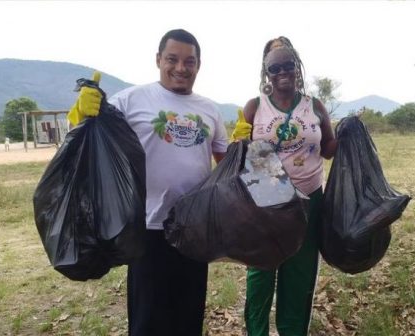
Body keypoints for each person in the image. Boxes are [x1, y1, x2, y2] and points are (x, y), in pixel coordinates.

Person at [67, 29, 228, 336]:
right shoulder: (131, 99)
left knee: (188, 315)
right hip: (148, 227)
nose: (181, 68)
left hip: (195, 228)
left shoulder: (209, 109)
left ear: (198, 65)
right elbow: (89, 133)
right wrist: (80, 114)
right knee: (148, 319)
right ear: (158, 60)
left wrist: (243, 147)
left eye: (189, 61)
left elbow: (225, 163)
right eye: (172, 59)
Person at [231, 36, 337, 336]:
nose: (282, 72)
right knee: (261, 277)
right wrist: (238, 141)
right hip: (267, 197)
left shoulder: (313, 105)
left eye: (287, 64)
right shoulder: (255, 107)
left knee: (299, 276)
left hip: (309, 198)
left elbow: (328, 147)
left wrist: (349, 137)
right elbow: (240, 154)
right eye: (274, 67)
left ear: (297, 66)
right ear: (266, 71)